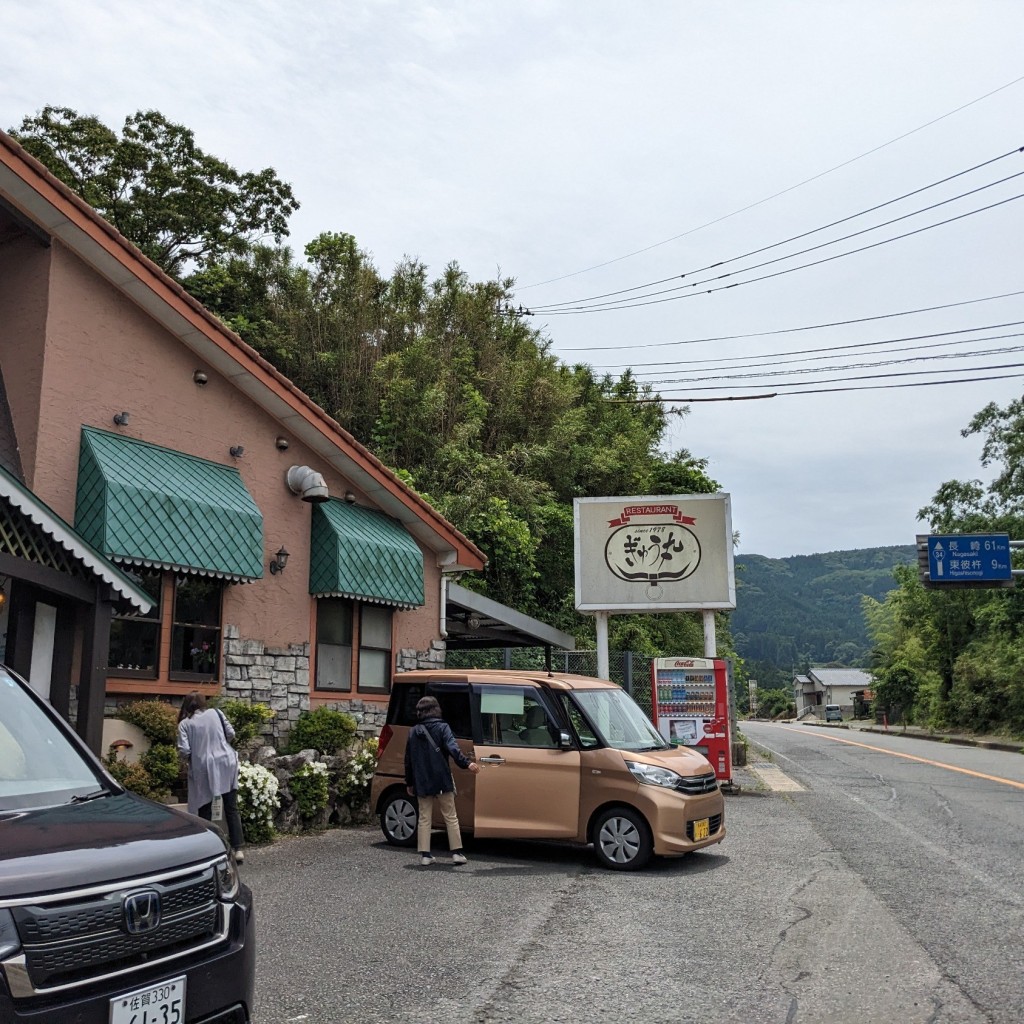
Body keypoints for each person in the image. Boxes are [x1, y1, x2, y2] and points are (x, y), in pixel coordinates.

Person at [404, 695, 479, 866]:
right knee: (450, 815)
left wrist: (409, 782)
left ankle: (425, 855)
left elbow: (408, 760)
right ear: (436, 709)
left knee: (424, 817)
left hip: (421, 780)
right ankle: (457, 853)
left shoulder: (413, 731)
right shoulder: (442, 727)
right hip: (441, 778)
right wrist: (467, 763)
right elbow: (453, 748)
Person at [177, 692, 245, 863]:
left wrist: (189, 758)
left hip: (203, 767)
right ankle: (238, 849)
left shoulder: (185, 724)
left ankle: (209, 849)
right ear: (202, 703)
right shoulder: (217, 713)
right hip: (226, 762)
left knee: (204, 808)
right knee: (231, 807)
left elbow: (184, 750)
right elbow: (231, 733)